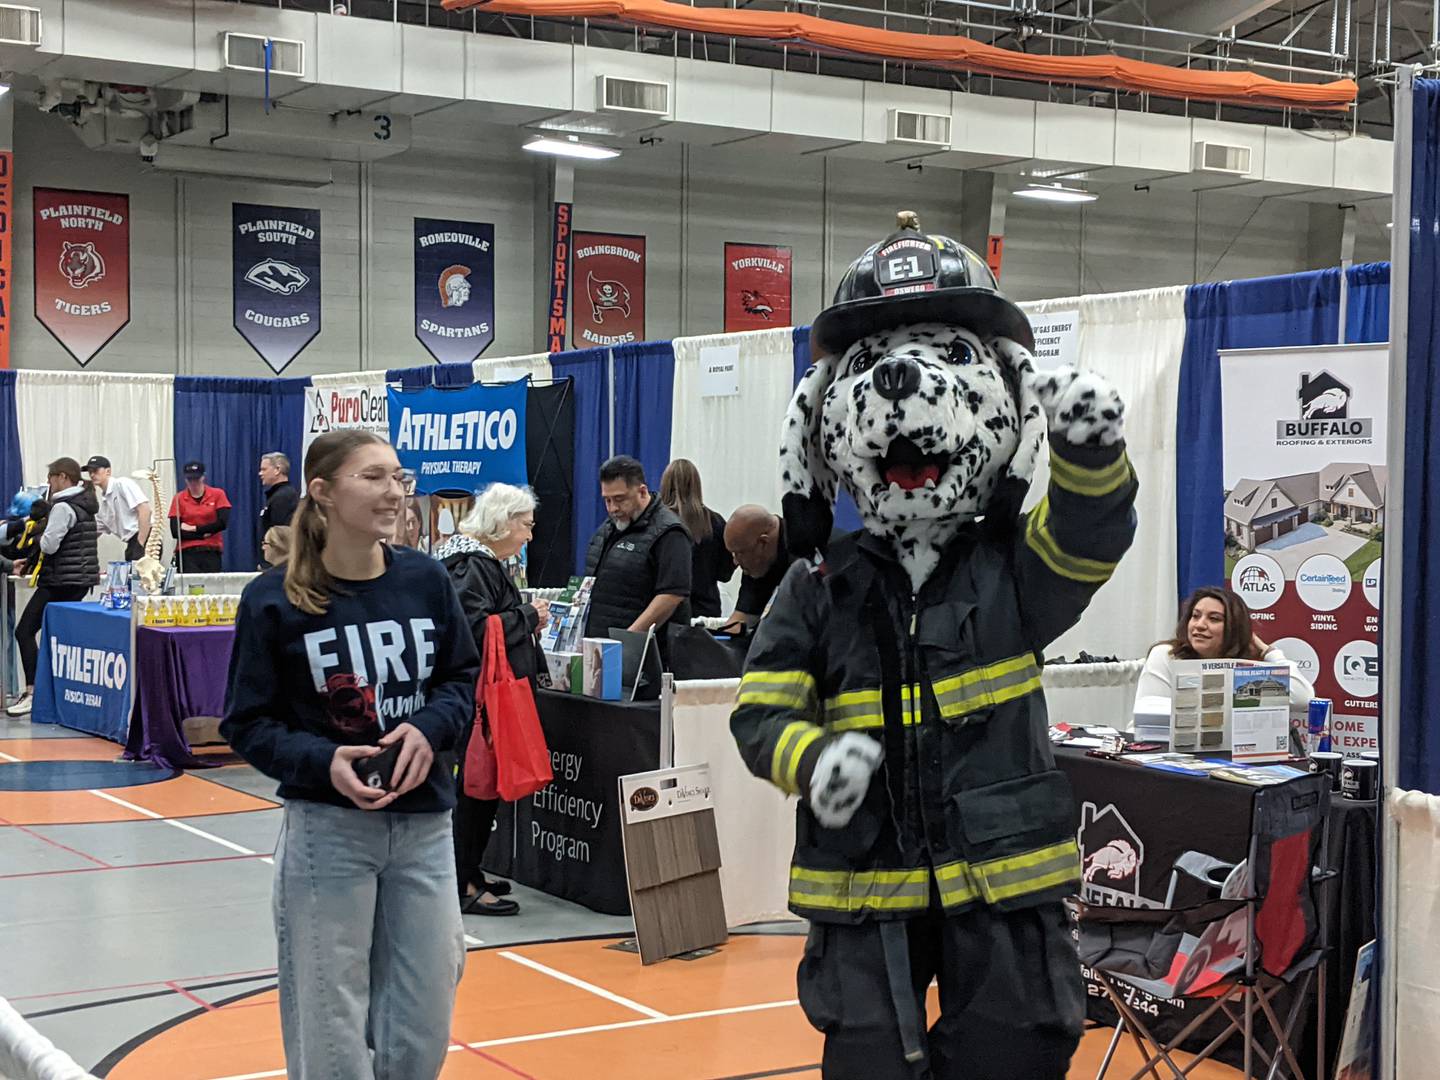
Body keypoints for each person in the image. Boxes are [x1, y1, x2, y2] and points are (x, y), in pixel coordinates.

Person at [220, 430, 478, 1079]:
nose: (393, 491)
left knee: (423, 1020)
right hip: (328, 833)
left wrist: (427, 728)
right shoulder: (272, 600)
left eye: (398, 476)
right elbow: (247, 722)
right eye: (373, 477)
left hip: (424, 829)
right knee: (328, 1020)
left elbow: (459, 680)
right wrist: (321, 761)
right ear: (323, 491)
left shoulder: (425, 580)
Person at [435, 483, 550, 917]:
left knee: (480, 789)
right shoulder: (471, 564)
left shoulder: (473, 561)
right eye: (526, 524)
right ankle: (462, 882)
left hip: (480, 697)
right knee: (476, 789)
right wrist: (528, 616)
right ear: (502, 522)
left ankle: (469, 870)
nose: (529, 535)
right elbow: (475, 629)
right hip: (479, 701)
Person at [6, 459, 100, 718]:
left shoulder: (63, 507)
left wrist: (36, 536)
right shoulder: (87, 504)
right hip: (80, 580)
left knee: (24, 631)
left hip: (59, 580)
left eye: (51, 478)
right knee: (58, 636)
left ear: (62, 477)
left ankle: (32, 692)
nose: (49, 483)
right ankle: (57, 694)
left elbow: (49, 546)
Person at [1134, 585, 1314, 711]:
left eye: (1214, 619)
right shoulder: (1167, 656)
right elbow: (1150, 712)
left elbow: (1301, 697)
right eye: (1195, 616)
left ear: (1234, 628)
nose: (1199, 625)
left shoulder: (1243, 670)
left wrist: (1270, 653)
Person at [582, 455, 692, 641]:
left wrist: (629, 639)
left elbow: (671, 595)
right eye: (607, 500)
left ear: (642, 492)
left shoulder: (670, 533)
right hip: (603, 643)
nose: (612, 508)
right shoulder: (609, 527)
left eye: (619, 499)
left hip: (646, 653)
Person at [659, 459, 732, 619]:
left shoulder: (656, 523)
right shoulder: (717, 522)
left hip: (665, 613)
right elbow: (725, 574)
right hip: (706, 612)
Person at [83, 455, 151, 562]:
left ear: (108, 471)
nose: (92, 475)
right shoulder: (104, 507)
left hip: (146, 537)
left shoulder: (122, 484)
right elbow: (94, 531)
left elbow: (145, 509)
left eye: (95, 470)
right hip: (132, 542)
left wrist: (141, 543)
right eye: (90, 472)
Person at [169, 461, 231, 573]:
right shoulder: (179, 498)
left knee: (211, 586)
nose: (193, 483)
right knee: (192, 587)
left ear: (203, 477)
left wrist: (194, 528)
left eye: (196, 479)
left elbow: (222, 523)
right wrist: (204, 534)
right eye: (190, 479)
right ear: (185, 479)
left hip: (211, 550)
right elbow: (175, 532)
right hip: (187, 552)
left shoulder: (218, 494)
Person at [258, 452, 299, 567]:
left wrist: (269, 563)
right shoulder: (278, 496)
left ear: (277, 470)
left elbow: (281, 534)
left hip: (278, 563)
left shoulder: (284, 497)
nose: (260, 473)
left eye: (264, 469)